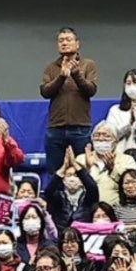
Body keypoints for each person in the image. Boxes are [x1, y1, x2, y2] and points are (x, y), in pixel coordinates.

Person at [41, 26, 98, 173]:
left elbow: (91, 90)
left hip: (80, 127)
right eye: (61, 40)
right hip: (56, 128)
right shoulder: (51, 67)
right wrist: (61, 76)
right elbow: (45, 92)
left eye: (68, 40)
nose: (64, 43)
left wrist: (76, 74)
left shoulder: (88, 65)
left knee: (83, 170)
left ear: (77, 43)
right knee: (55, 170)